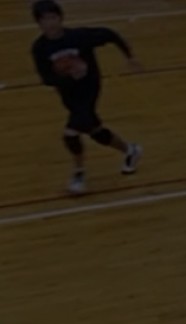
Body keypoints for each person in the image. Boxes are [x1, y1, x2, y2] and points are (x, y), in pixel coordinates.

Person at [30, 0, 142, 196]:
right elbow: (46, 79)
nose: (50, 23)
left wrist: (130, 57)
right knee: (95, 131)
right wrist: (67, 76)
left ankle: (79, 174)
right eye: (45, 20)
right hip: (69, 95)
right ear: (38, 23)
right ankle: (130, 150)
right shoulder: (40, 48)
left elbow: (110, 34)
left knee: (71, 134)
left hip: (89, 90)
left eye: (53, 18)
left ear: (61, 18)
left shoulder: (79, 37)